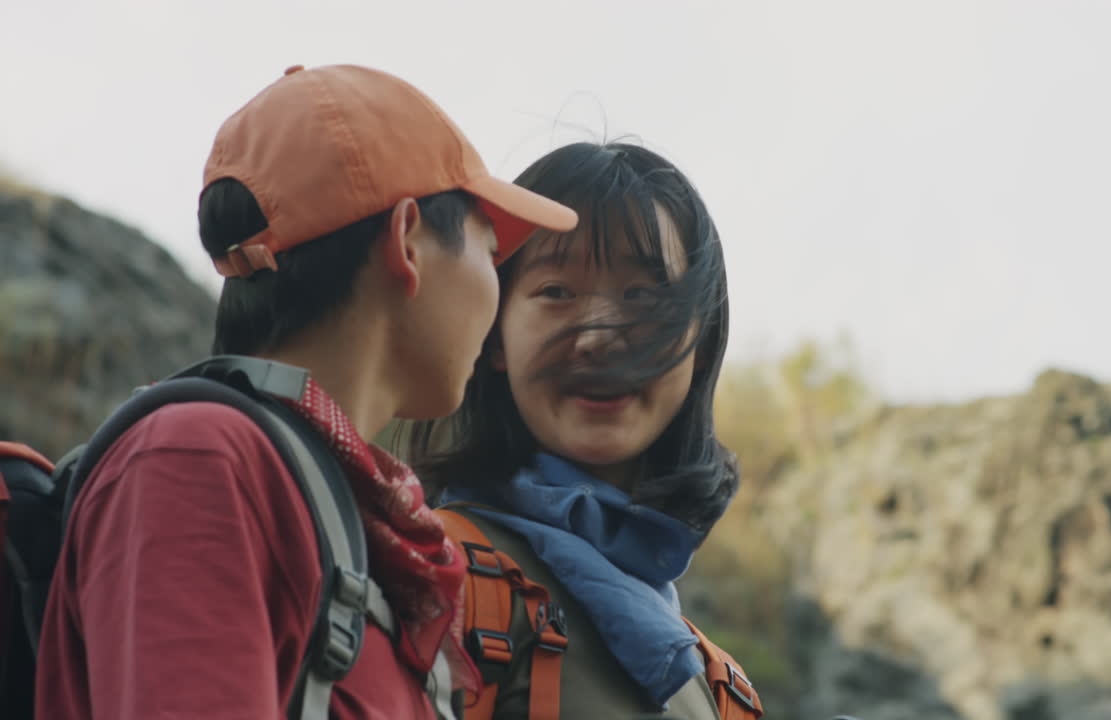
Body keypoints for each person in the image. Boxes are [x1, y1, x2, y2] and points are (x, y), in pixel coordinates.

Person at [34, 63, 577, 720]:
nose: (496, 296)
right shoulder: (198, 459)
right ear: (408, 239)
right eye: (490, 254)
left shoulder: (355, 524)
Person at [410, 141, 761, 719]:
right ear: (495, 333)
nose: (598, 336)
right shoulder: (428, 575)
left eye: (642, 295)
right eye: (556, 292)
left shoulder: (723, 687)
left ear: (700, 340)